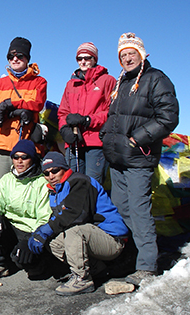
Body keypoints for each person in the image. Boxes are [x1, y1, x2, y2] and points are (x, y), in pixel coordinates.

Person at [100, 33, 179, 285]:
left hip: (138, 158)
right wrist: (106, 135)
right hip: (118, 159)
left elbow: (168, 116)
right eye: (122, 55)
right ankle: (133, 255)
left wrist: (137, 139)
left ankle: (147, 265)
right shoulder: (122, 82)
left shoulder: (156, 79)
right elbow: (116, 116)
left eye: (131, 53)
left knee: (139, 209)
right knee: (121, 209)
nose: (127, 58)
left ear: (142, 54)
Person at [27, 152, 128, 296]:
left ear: (64, 168)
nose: (51, 176)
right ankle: (95, 269)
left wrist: (45, 230)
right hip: (93, 237)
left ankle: (82, 279)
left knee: (74, 230)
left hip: (112, 239)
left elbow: (76, 216)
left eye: (55, 170)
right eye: (46, 173)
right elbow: (58, 219)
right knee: (52, 241)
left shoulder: (79, 182)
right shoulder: (55, 191)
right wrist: (39, 234)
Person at [0, 140, 51, 281]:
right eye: (16, 157)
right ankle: (1, 264)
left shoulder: (41, 183)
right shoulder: (7, 179)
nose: (19, 161)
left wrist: (31, 238)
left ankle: (36, 263)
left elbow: (44, 217)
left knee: (27, 264)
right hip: (11, 227)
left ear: (33, 159)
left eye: (24, 157)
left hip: (30, 230)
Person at [0, 37, 47, 188]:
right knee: (1, 189)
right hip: (2, 145)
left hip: (27, 145)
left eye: (20, 56)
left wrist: (12, 104)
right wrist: (3, 113)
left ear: (27, 58)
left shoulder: (39, 82)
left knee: (28, 190)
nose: (15, 59)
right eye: (11, 56)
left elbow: (37, 103)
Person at [58, 42, 116, 184]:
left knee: (92, 184)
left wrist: (88, 120)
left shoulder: (108, 81)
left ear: (95, 59)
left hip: (96, 141)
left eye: (87, 58)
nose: (83, 61)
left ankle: (93, 207)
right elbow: (63, 112)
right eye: (79, 58)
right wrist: (65, 129)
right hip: (74, 140)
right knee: (72, 182)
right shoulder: (71, 84)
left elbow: (111, 112)